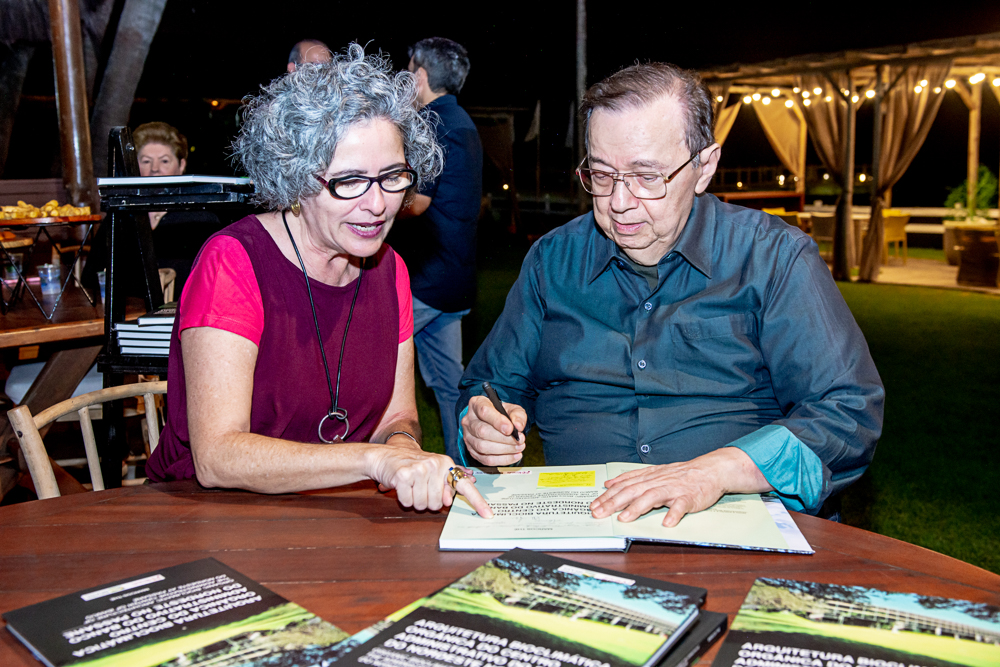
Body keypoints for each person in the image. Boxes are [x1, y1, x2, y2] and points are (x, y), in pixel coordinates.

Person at [457, 62, 883, 526]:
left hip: (735, 520)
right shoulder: (552, 262)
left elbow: (848, 412)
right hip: (584, 524)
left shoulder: (774, 260)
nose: (619, 202)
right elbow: (489, 386)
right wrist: (482, 423)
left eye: (647, 177)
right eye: (601, 175)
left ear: (704, 168)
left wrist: (718, 471)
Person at [146, 45, 491, 518]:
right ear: (297, 177)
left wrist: (404, 450)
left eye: (392, 177)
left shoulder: (390, 269)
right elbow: (218, 457)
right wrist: (375, 460)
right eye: (349, 181)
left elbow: (397, 416)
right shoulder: (234, 261)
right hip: (210, 520)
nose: (377, 204)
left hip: (335, 514)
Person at [390, 37, 482, 460]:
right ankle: (462, 472)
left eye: (408, 70)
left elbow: (420, 201)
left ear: (421, 76)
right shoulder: (462, 119)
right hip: (456, 279)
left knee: (367, 361)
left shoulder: (434, 122)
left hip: (427, 281)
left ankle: (368, 463)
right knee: (449, 386)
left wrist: (379, 201)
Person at [82, 122, 221, 297]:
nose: (155, 169)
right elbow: (91, 278)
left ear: (181, 165)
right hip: (129, 315)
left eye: (164, 161)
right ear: (134, 167)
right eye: (146, 161)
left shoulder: (200, 219)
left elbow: (213, 283)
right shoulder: (120, 217)